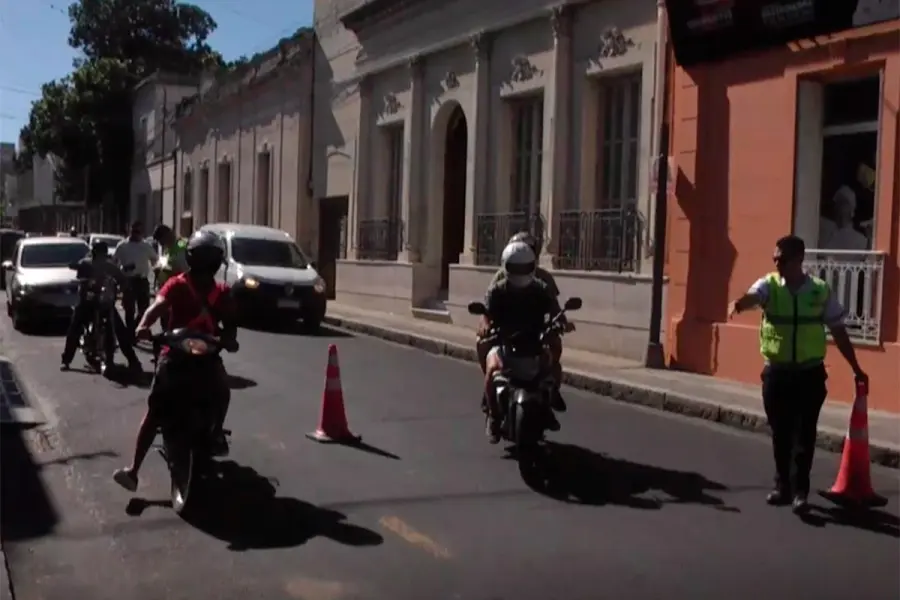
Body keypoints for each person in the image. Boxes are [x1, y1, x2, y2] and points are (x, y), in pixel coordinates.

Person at [728, 234, 868, 514]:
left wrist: (856, 367)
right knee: (780, 433)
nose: (777, 264)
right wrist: (740, 303)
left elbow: (839, 331)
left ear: (799, 260)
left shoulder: (819, 290)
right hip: (777, 374)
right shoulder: (769, 285)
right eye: (775, 259)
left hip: (809, 374)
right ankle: (782, 486)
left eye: (782, 260)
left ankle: (800, 492)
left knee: (804, 435)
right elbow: (755, 296)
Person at [112, 230, 237, 492]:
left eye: (210, 259)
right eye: (202, 258)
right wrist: (143, 326)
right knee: (156, 408)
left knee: (222, 390)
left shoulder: (222, 291)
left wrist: (228, 339)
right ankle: (133, 470)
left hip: (207, 355)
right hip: (175, 352)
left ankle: (215, 431)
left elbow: (230, 324)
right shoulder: (177, 284)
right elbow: (157, 306)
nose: (206, 265)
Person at [477, 231, 572, 414]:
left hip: (534, 335)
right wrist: (486, 325)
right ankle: (491, 402)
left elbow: (554, 306)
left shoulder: (542, 284)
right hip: (505, 335)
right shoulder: (498, 285)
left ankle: (551, 392)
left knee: (554, 354)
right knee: (484, 348)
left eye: (524, 264)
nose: (520, 269)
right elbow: (487, 310)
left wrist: (560, 322)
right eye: (515, 266)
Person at [61, 242, 142, 374]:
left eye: (103, 254)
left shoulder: (109, 266)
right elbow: (80, 277)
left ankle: (133, 361)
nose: (101, 257)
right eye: (98, 254)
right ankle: (66, 360)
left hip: (105, 301)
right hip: (87, 301)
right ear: (94, 253)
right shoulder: (85, 264)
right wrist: (83, 279)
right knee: (75, 326)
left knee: (120, 330)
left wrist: (124, 287)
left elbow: (121, 278)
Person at [113, 222, 159, 336]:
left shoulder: (146, 246)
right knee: (129, 309)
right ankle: (130, 332)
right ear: (130, 231)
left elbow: (155, 260)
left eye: (138, 232)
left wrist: (157, 273)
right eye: (134, 231)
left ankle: (134, 329)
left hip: (142, 280)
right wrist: (120, 273)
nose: (136, 234)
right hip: (128, 280)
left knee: (144, 309)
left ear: (142, 233)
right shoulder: (122, 245)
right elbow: (115, 263)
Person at [152, 224, 188, 289]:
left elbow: (186, 271)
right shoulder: (167, 250)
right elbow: (161, 268)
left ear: (167, 235)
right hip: (169, 288)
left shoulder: (182, 245)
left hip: (181, 287)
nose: (160, 243)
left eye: (160, 240)